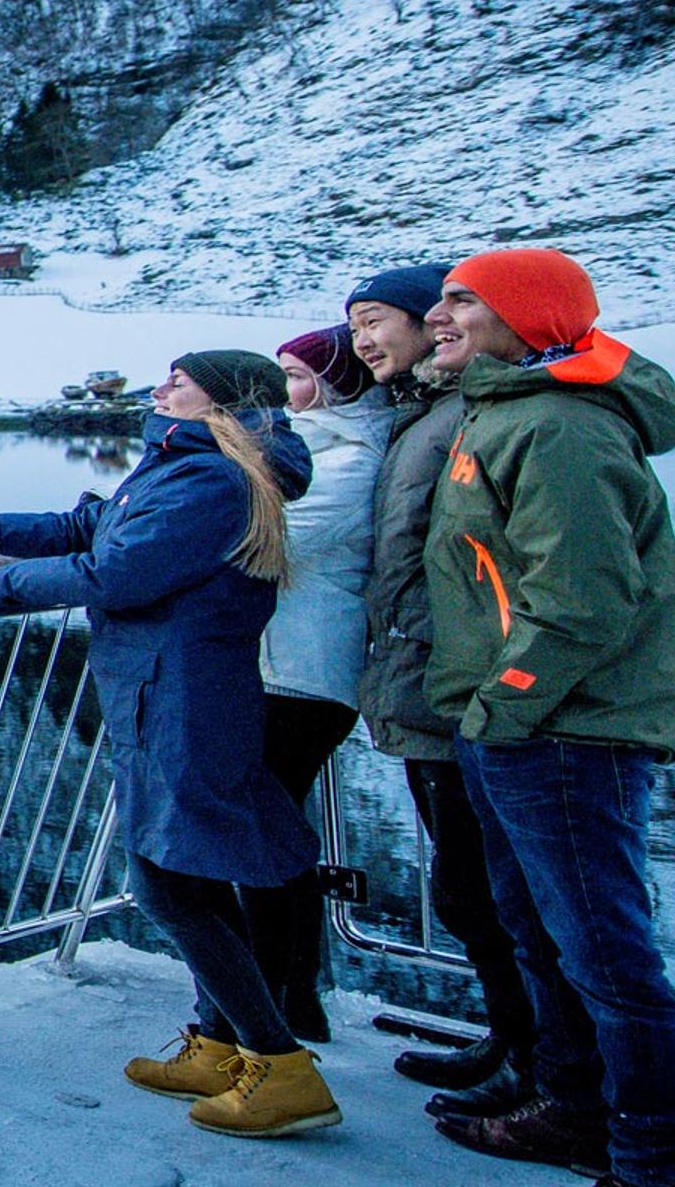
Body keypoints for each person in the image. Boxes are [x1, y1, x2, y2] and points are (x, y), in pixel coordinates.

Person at [0, 350, 334, 1137]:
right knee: (183, 875)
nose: (162, 385)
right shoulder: (183, 464)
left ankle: (280, 1067)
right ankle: (219, 1044)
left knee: (171, 883)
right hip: (160, 692)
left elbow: (117, 573)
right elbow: (90, 526)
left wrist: (3, 584)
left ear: (222, 400)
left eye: (181, 378)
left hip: (186, 698)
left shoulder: (214, 481)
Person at [419, 249, 675, 1187]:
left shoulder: (559, 429)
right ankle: (572, 1111)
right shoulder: (502, 414)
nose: (441, 314)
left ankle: (652, 1161)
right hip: (520, 729)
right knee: (542, 936)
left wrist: (506, 705)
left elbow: (584, 599)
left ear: (525, 319)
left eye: (465, 300)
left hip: (568, 733)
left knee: (607, 958)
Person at [348, 261, 542, 1112]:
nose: (363, 337)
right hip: (431, 684)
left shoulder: (465, 416)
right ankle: (516, 1042)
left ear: (430, 323)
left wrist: (490, 678)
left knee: (495, 891)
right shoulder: (425, 414)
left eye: (376, 318)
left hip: (465, 688)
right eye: (353, 322)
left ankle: (543, 1068)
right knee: (470, 887)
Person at [249, 326, 383, 1042]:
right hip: (282, 663)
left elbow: (275, 541)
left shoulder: (354, 456)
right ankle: (289, 990)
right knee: (273, 824)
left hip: (306, 672)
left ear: (338, 383)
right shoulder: (311, 448)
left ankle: (287, 988)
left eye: (298, 376)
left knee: (269, 828)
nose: (284, 391)